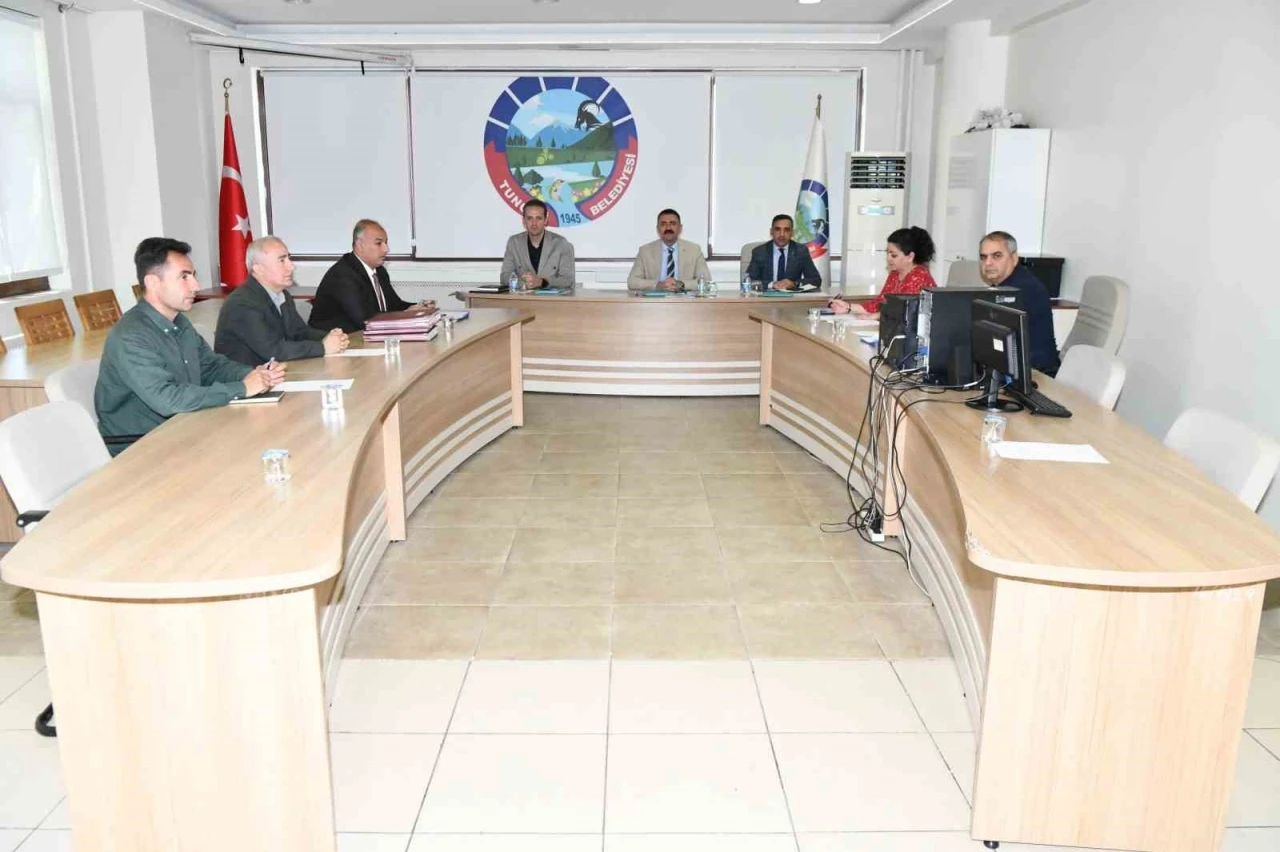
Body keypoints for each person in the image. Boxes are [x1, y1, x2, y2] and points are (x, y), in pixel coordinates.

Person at [95, 237, 286, 454]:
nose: (196, 285)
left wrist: (253, 375)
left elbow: (211, 367)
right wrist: (242, 388)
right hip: (143, 446)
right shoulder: (131, 335)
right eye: (184, 277)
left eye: (193, 276)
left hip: (185, 428)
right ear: (153, 283)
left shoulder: (179, 322)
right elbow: (168, 400)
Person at [215, 236, 348, 366]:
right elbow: (273, 351)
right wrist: (322, 347)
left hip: (277, 371)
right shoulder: (242, 304)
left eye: (289, 258)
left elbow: (300, 333)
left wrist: (330, 337)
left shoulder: (282, 294)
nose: (291, 266)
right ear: (259, 268)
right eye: (282, 260)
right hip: (248, 377)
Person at [309, 219, 435, 333]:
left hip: (363, 336)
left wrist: (418, 308)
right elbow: (365, 320)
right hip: (331, 340)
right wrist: (405, 314)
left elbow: (395, 306)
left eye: (386, 243)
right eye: (379, 243)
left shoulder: (379, 271)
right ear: (360, 245)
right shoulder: (343, 275)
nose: (386, 249)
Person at [978, 230, 1060, 376]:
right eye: (983, 257)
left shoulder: (1020, 290)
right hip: (1017, 367)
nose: (988, 263)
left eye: (997, 256)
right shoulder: (1006, 286)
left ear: (1014, 258)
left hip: (1036, 373)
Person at [829, 227, 937, 317]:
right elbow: (879, 303)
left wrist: (875, 316)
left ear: (910, 257)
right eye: (887, 253)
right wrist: (847, 307)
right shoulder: (895, 274)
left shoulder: (919, 276)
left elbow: (904, 312)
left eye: (893, 255)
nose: (888, 258)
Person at [626, 208, 711, 292]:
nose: (668, 227)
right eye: (663, 224)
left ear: (680, 228)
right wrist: (657, 285)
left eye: (673, 223)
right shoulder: (645, 251)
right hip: (655, 299)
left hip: (684, 299)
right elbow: (632, 281)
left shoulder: (694, 250)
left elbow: (706, 281)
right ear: (658, 229)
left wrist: (681, 284)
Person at [499, 199, 576, 290]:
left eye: (538, 218)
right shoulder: (514, 242)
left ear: (545, 220)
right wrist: (523, 283)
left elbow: (568, 280)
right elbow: (504, 277)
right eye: (529, 218)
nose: (534, 224)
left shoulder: (561, 244)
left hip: (552, 298)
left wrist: (541, 282)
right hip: (523, 298)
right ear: (524, 221)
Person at [746, 214, 822, 290]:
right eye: (777, 229)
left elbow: (816, 280)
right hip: (766, 296)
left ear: (792, 233)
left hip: (792, 296)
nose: (782, 234)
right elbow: (748, 281)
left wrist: (794, 284)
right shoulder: (760, 252)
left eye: (786, 230)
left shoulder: (801, 251)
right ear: (771, 231)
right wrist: (772, 284)